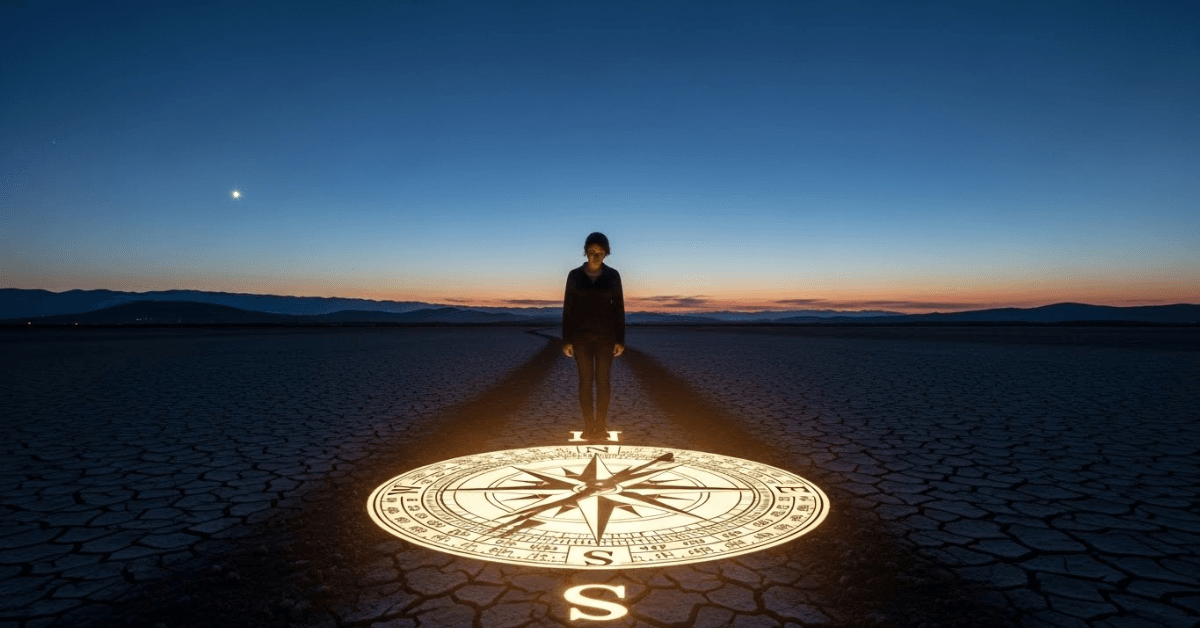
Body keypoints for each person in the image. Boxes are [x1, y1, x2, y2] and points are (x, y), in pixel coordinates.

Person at [562, 232, 625, 439]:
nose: (595, 256)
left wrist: (620, 339)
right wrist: (566, 339)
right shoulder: (574, 276)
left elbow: (619, 308)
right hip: (580, 338)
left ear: (606, 253)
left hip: (606, 337)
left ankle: (602, 426)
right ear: (585, 252)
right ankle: (589, 426)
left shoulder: (613, 276)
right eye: (591, 252)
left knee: (603, 381)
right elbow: (568, 308)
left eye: (600, 252)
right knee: (585, 381)